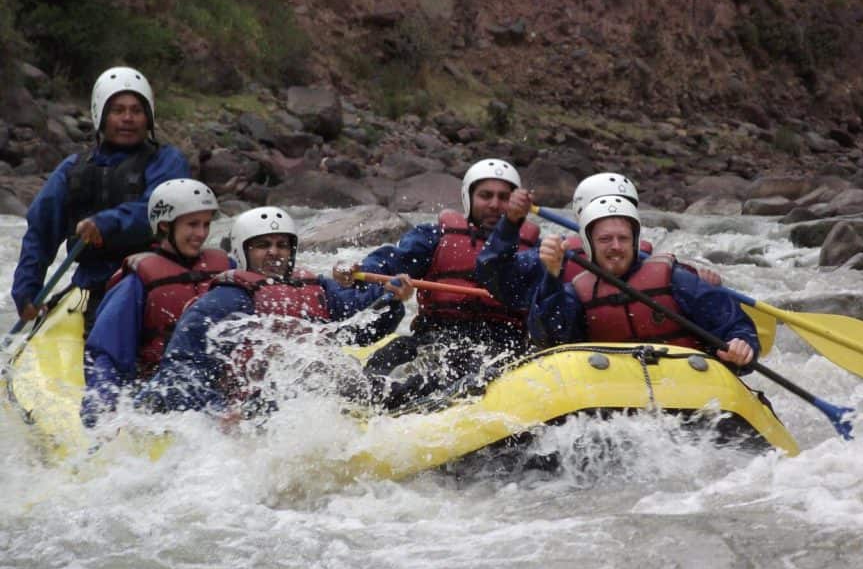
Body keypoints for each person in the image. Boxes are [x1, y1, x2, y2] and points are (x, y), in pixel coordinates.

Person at [134, 207, 408, 416]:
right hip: (256, 405)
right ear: (244, 250)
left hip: (317, 389)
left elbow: (361, 325)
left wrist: (391, 298)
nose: (274, 252)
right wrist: (214, 412)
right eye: (263, 245)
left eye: (282, 245)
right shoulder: (227, 297)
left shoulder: (315, 285)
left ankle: (411, 399)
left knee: (364, 372)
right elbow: (186, 364)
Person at [341, 158, 540, 407]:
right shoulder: (435, 237)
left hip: (502, 344)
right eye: (485, 195)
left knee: (473, 372)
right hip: (436, 338)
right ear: (469, 198)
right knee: (387, 362)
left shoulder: (536, 251)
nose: (494, 204)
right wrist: (364, 273)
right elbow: (390, 261)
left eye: (503, 197)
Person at [10, 67, 189, 330]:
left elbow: (159, 210)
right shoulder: (72, 170)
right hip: (92, 286)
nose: (128, 118)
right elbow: (40, 232)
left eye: (136, 111)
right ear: (101, 115)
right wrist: (27, 289)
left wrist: (106, 222)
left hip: (152, 282)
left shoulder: (167, 162)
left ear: (148, 118)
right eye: (118, 110)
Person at [528, 196, 758, 371]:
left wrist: (742, 345)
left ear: (635, 242)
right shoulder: (575, 293)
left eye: (623, 238)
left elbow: (735, 325)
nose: (616, 246)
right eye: (605, 239)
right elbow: (549, 339)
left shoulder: (678, 281)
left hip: (685, 383)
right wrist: (551, 277)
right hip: (612, 390)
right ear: (589, 244)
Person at [80, 179, 231, 427]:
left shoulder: (226, 269)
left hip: (216, 389)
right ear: (164, 225)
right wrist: (101, 414)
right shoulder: (137, 281)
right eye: (192, 224)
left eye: (206, 224)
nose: (201, 234)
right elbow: (108, 354)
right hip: (161, 395)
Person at [475, 171, 720, 314]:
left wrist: (708, 288)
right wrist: (511, 223)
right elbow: (493, 275)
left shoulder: (659, 269)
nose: (612, 218)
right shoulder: (553, 255)